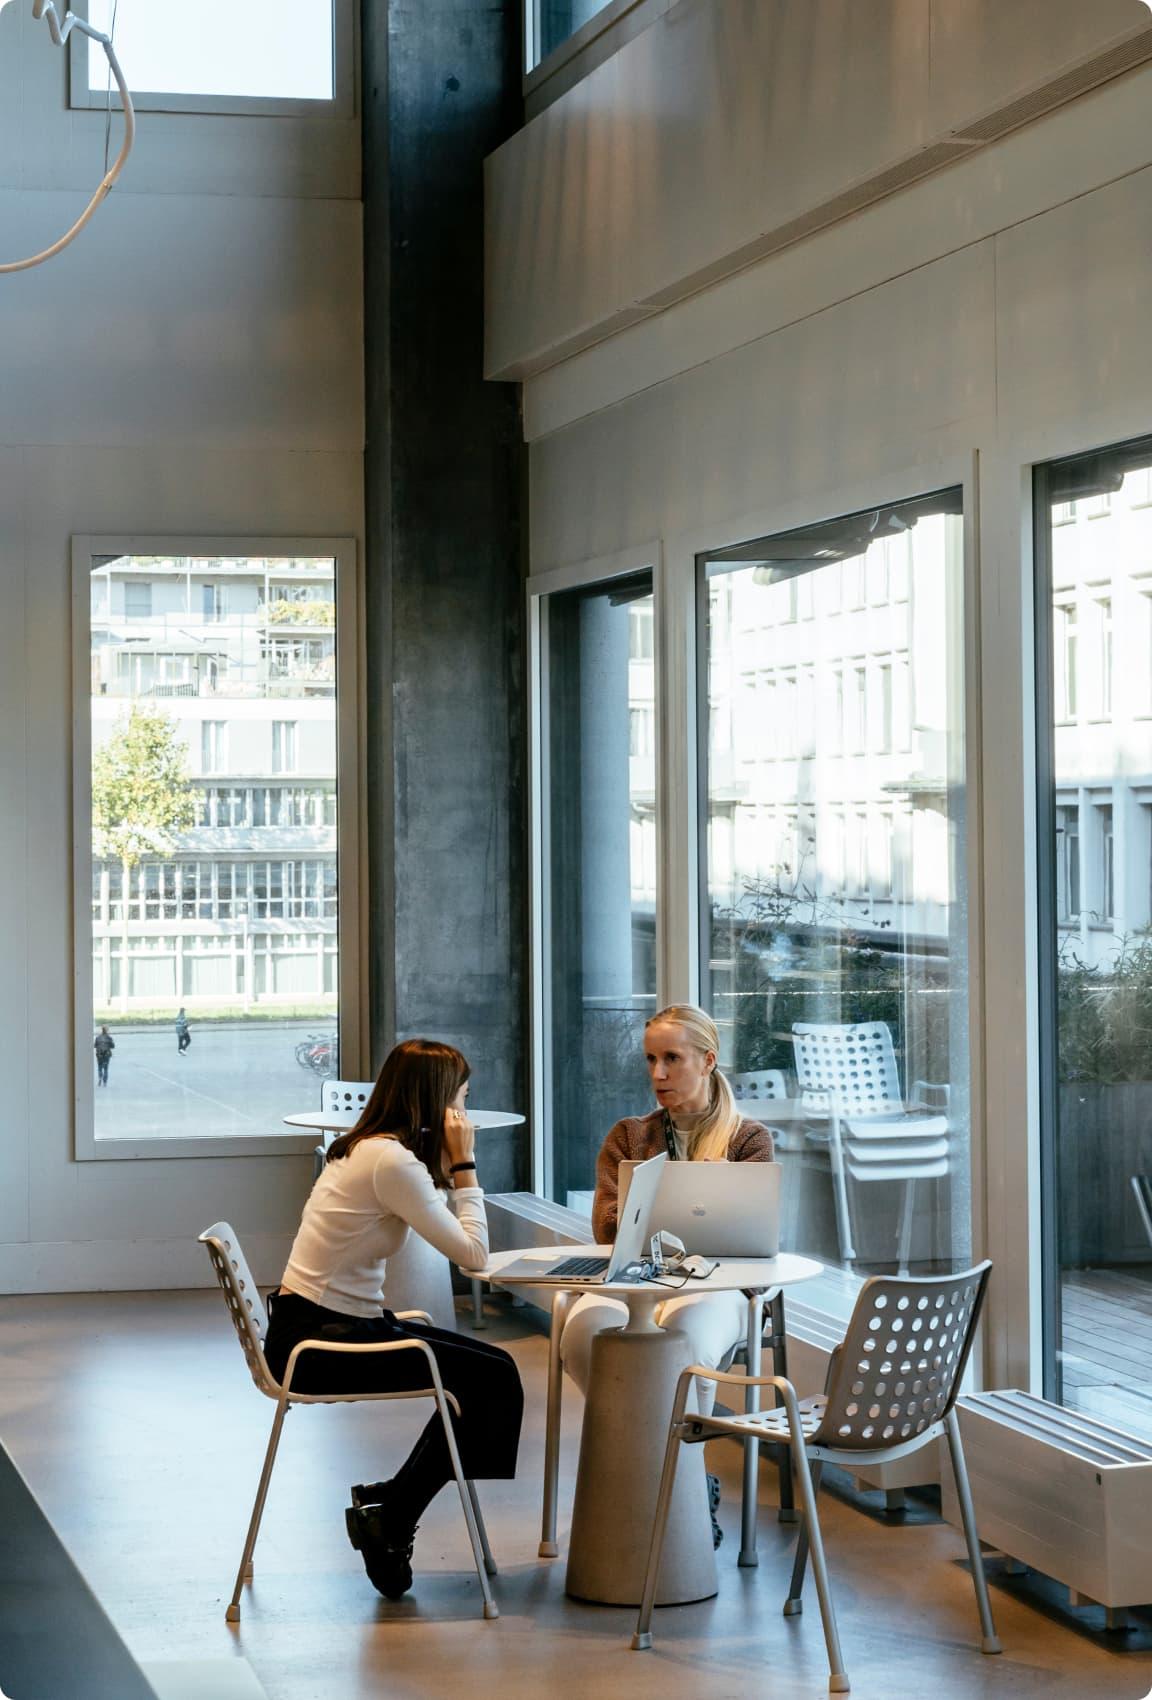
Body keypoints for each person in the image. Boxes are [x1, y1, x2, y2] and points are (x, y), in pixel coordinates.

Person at [263, 1038, 523, 1600]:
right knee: (491, 1380)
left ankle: (392, 1506)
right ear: (437, 1102)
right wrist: (465, 1165)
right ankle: (393, 1514)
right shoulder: (391, 1162)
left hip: (326, 1326)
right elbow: (475, 1257)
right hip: (320, 1346)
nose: (465, 1114)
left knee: (494, 1370)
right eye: (461, 1099)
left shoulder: (368, 1149)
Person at [560, 1003, 775, 1547]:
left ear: (707, 1060)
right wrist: (682, 1201)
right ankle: (671, 1476)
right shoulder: (629, 1136)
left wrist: (684, 1205)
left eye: (672, 1059)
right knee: (581, 1334)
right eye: (651, 1059)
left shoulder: (748, 1140)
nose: (658, 1073)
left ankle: (683, 1491)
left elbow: (755, 1242)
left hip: (718, 1288)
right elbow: (607, 1230)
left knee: (688, 1344)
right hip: (634, 1281)